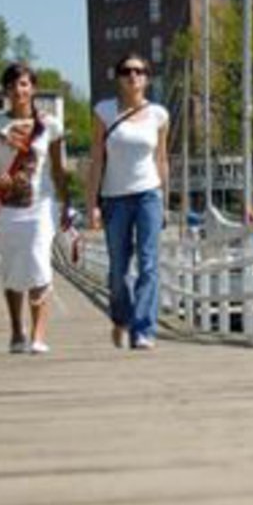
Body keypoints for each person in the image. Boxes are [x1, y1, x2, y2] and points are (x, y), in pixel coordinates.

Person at [0, 62, 69, 354]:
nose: (18, 90)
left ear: (33, 89)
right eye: (13, 85)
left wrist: (66, 205)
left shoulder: (50, 125)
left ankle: (38, 335)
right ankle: (17, 330)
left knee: (39, 261)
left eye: (24, 84)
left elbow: (58, 168)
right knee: (13, 268)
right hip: (7, 208)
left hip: (41, 205)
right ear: (6, 90)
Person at [86, 53, 169, 350]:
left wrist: (165, 201)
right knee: (119, 269)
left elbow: (161, 159)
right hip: (114, 198)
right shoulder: (104, 111)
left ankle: (143, 329)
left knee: (148, 265)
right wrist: (91, 204)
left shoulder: (159, 115)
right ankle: (121, 317)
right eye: (126, 71)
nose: (132, 76)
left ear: (147, 78)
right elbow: (96, 160)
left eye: (139, 71)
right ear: (119, 78)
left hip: (149, 194)